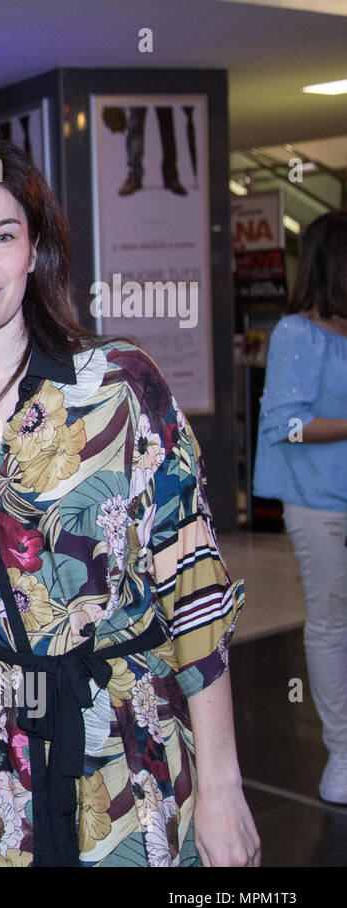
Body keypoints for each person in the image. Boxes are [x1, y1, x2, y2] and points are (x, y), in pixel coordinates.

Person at [0, 135, 260, 866]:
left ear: (35, 250)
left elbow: (196, 589)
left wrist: (225, 786)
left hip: (127, 745)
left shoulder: (116, 384)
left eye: (2, 235)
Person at [254, 209, 347, 805]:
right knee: (333, 625)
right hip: (321, 506)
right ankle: (341, 754)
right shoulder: (297, 334)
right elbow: (286, 426)